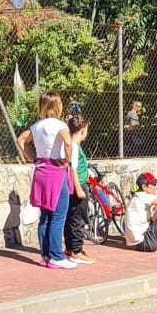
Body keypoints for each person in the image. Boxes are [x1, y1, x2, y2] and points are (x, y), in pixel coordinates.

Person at [17, 91, 78, 269]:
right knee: (58, 216)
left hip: (41, 170)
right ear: (58, 105)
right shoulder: (60, 125)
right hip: (56, 171)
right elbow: (67, 142)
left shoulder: (36, 126)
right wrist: (66, 159)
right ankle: (57, 256)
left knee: (45, 216)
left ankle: (45, 255)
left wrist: (31, 158)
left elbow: (21, 140)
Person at [63, 111, 94, 265]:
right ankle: (76, 250)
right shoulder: (74, 146)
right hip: (78, 185)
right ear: (82, 130)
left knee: (71, 217)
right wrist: (79, 188)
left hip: (78, 183)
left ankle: (70, 248)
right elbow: (73, 168)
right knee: (78, 218)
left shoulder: (73, 145)